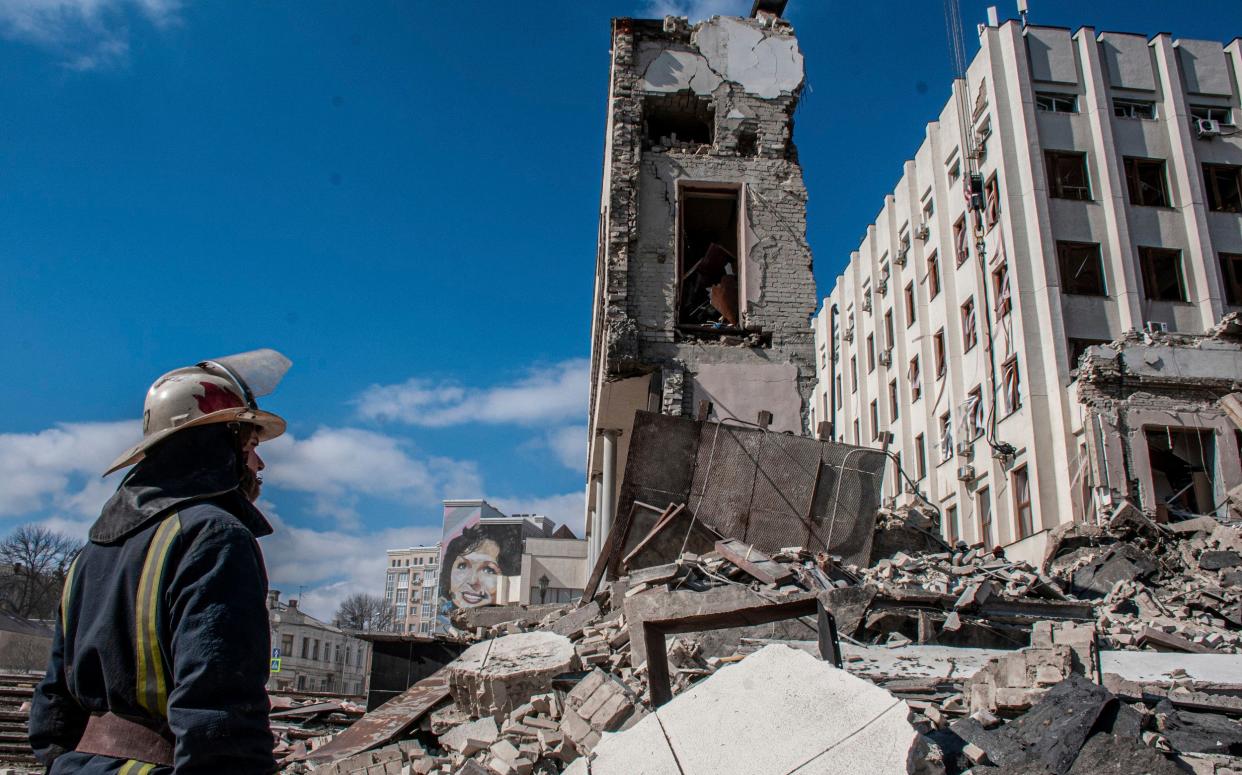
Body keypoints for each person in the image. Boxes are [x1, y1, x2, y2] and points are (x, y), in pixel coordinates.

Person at [29, 350, 291, 775]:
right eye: (250, 445)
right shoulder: (213, 536)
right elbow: (219, 715)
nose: (259, 464)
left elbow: (52, 708)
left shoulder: (91, 554)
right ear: (218, 445)